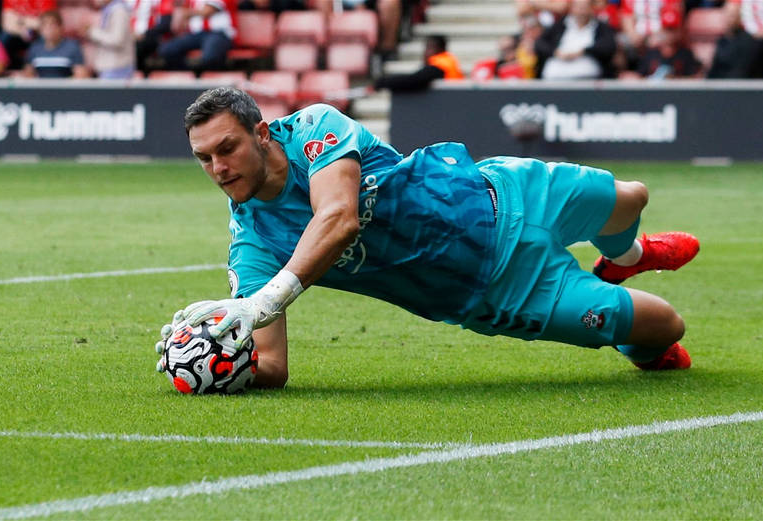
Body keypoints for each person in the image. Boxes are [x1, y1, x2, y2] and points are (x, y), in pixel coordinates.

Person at [155, 87, 700, 389]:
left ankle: (629, 255)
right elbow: (272, 365)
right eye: (204, 158)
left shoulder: (313, 130)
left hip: (502, 190)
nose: (218, 167)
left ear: (261, 132)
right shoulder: (251, 243)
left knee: (631, 196)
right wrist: (218, 359)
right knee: (663, 327)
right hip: (498, 292)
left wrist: (264, 301)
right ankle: (633, 319)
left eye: (226, 148)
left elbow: (338, 216)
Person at [533, 0, 616, 79]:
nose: (581, 11)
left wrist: (583, 52)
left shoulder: (600, 27)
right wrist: (556, 52)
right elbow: (539, 44)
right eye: (578, 7)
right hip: (554, 77)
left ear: (591, 8)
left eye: (585, 7)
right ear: (572, 9)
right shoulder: (560, 25)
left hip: (588, 78)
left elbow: (609, 46)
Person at [157, 0, 236, 72]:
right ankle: (188, 77)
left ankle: (214, 81)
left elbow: (207, 12)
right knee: (168, 49)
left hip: (219, 33)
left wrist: (183, 13)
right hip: (197, 34)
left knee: (211, 56)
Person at [373, 34, 462, 91]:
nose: (427, 52)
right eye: (426, 48)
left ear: (442, 49)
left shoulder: (441, 64)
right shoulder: (448, 61)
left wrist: (382, 82)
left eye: (431, 48)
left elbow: (414, 80)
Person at [22, 9, 90, 77]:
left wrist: (64, 86)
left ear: (61, 27)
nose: (48, 28)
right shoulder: (35, 48)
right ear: (40, 29)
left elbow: (81, 75)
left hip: (65, 87)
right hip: (40, 87)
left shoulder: (72, 47)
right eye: (45, 25)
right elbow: (28, 75)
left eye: (52, 24)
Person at [82, 0, 134, 79]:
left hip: (117, 68)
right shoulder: (109, 9)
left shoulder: (119, 11)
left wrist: (92, 32)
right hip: (110, 68)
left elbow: (117, 40)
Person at [0, 0, 55, 69]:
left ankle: (44, 69)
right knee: (3, 38)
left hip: (38, 33)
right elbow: (8, 24)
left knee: (47, 36)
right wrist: (23, 31)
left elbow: (46, 22)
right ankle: (4, 70)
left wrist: (21, 20)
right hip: (17, 32)